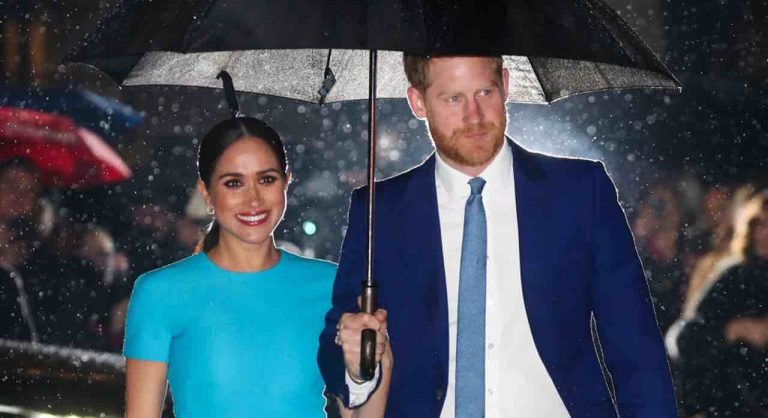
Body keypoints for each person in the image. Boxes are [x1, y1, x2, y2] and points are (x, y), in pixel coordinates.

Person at [318, 55, 677, 417]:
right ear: (418, 102)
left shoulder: (581, 192)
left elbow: (636, 348)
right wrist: (356, 367)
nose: (474, 115)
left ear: (505, 84)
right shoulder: (380, 211)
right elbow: (337, 346)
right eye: (453, 98)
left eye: (485, 92)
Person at [123, 117, 382, 418]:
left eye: (266, 179)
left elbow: (359, 412)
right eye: (234, 183)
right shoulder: (160, 292)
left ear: (287, 181)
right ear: (206, 192)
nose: (254, 199)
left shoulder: (330, 284)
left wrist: (369, 369)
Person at [673, 190, 768, 417]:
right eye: (760, 224)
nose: (764, 233)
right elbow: (687, 338)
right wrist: (733, 329)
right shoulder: (737, 277)